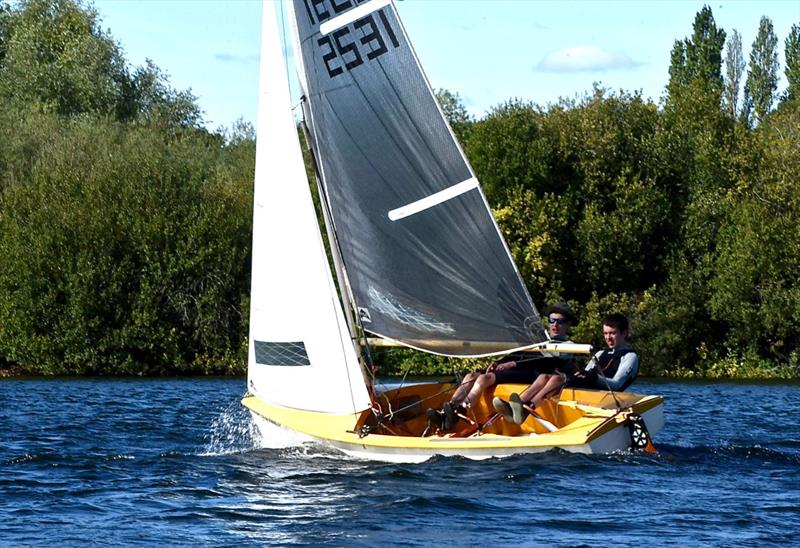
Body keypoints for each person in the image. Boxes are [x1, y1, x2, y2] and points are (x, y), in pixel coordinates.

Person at [427, 302, 578, 430]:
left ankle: (462, 409)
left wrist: (513, 363)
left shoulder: (569, 346)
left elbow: (546, 362)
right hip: (520, 368)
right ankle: (448, 412)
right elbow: (519, 353)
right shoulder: (540, 339)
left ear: (568, 325)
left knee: (483, 379)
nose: (555, 325)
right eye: (551, 320)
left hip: (535, 373)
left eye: (560, 321)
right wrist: (499, 363)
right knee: (471, 376)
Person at [492, 313, 639, 425]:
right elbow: (587, 372)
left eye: (613, 333)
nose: (608, 338)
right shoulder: (600, 353)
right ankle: (516, 406)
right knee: (544, 376)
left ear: (624, 333)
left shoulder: (630, 357)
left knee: (557, 378)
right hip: (589, 388)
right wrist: (585, 374)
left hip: (606, 395)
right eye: (606, 333)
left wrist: (593, 377)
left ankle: (528, 408)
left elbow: (617, 384)